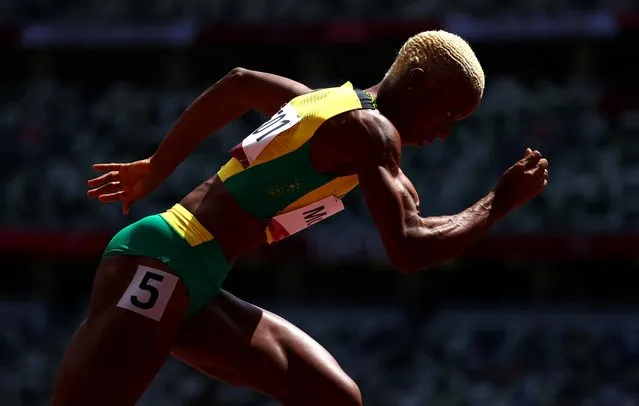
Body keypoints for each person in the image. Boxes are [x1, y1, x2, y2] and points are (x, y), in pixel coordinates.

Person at [51, 30, 549, 406]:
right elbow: (409, 247)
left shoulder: (332, 107)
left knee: (333, 396)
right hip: (163, 261)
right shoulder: (369, 132)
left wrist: (156, 168)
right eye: (448, 115)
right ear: (416, 82)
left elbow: (239, 84)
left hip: (198, 275)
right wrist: (498, 202)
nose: (445, 133)